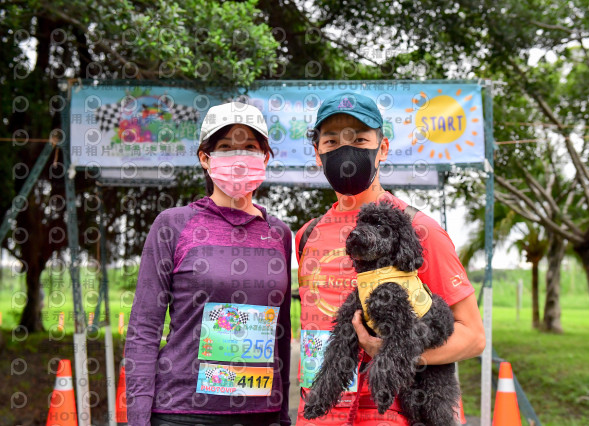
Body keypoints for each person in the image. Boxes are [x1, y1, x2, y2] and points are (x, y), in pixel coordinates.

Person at [294, 92, 486, 425]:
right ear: (317, 154)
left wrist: (395, 353)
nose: (345, 150)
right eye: (331, 141)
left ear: (382, 149)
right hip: (319, 415)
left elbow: (473, 336)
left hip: (393, 415)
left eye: (359, 139)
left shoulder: (418, 230)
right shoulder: (307, 235)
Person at [125, 102, 292, 426]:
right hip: (182, 413)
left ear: (265, 158)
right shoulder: (172, 225)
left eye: (249, 148)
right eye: (227, 147)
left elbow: (280, 335)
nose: (238, 156)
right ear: (205, 158)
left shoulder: (278, 234)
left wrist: (281, 415)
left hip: (261, 415)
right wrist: (138, 419)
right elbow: (143, 331)